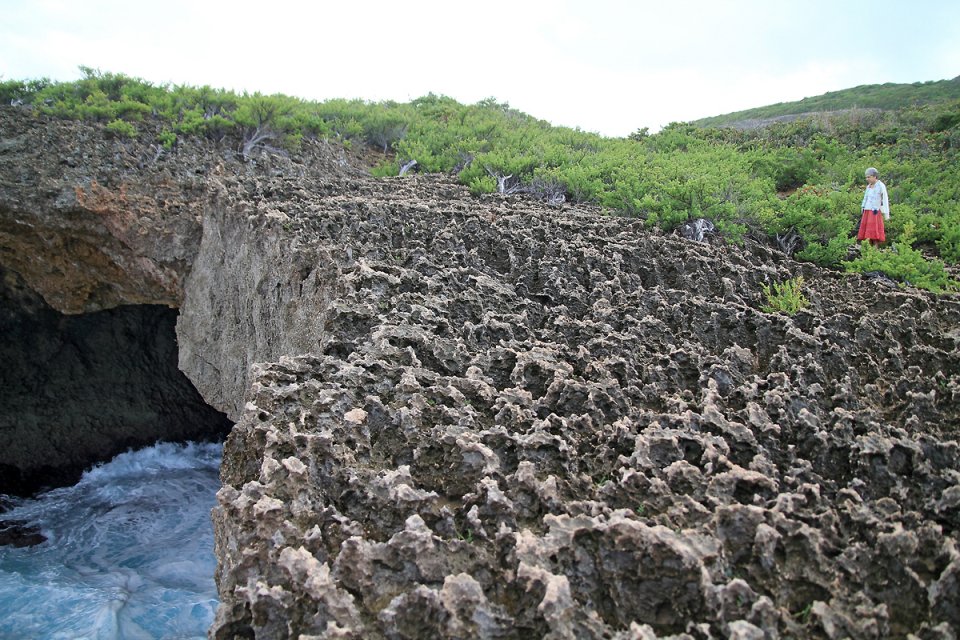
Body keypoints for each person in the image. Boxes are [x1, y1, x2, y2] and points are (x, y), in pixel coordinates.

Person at [857, 167, 889, 245]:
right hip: (867, 211)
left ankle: (875, 249)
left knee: (874, 232)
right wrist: (863, 208)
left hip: (875, 211)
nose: (867, 179)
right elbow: (866, 198)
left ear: (874, 176)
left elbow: (885, 199)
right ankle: (868, 249)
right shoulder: (868, 186)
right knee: (867, 233)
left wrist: (885, 213)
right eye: (866, 177)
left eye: (869, 177)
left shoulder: (880, 186)